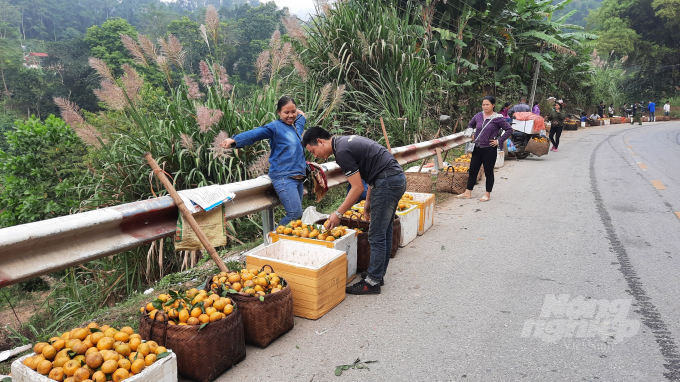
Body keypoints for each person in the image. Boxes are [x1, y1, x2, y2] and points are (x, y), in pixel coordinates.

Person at [301, 127, 406, 294]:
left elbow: (356, 188)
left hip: (387, 183)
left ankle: (371, 283)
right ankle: (377, 274)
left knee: (377, 234)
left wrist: (338, 213)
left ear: (320, 141)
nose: (315, 156)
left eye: (313, 151)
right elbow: (373, 172)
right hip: (393, 179)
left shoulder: (342, 151)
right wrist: (368, 202)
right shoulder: (344, 143)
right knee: (384, 231)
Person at [220, 96, 306, 225]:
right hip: (284, 177)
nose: (290, 115)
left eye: (293, 111)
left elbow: (301, 116)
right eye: (286, 112)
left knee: (297, 218)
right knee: (294, 215)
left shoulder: (296, 127)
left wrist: (298, 113)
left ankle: (282, 241)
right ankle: (273, 240)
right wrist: (234, 140)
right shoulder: (275, 127)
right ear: (278, 112)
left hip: (298, 178)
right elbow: (256, 133)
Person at [455, 96, 512, 202]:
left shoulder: (498, 118)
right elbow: (471, 124)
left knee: (488, 171)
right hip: (477, 147)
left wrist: (498, 141)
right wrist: (471, 133)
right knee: (473, 170)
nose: (485, 106)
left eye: (487, 104)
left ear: (493, 105)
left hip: (489, 149)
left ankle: (487, 194)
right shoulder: (478, 116)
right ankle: (468, 192)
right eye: (483, 104)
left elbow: (509, 129)